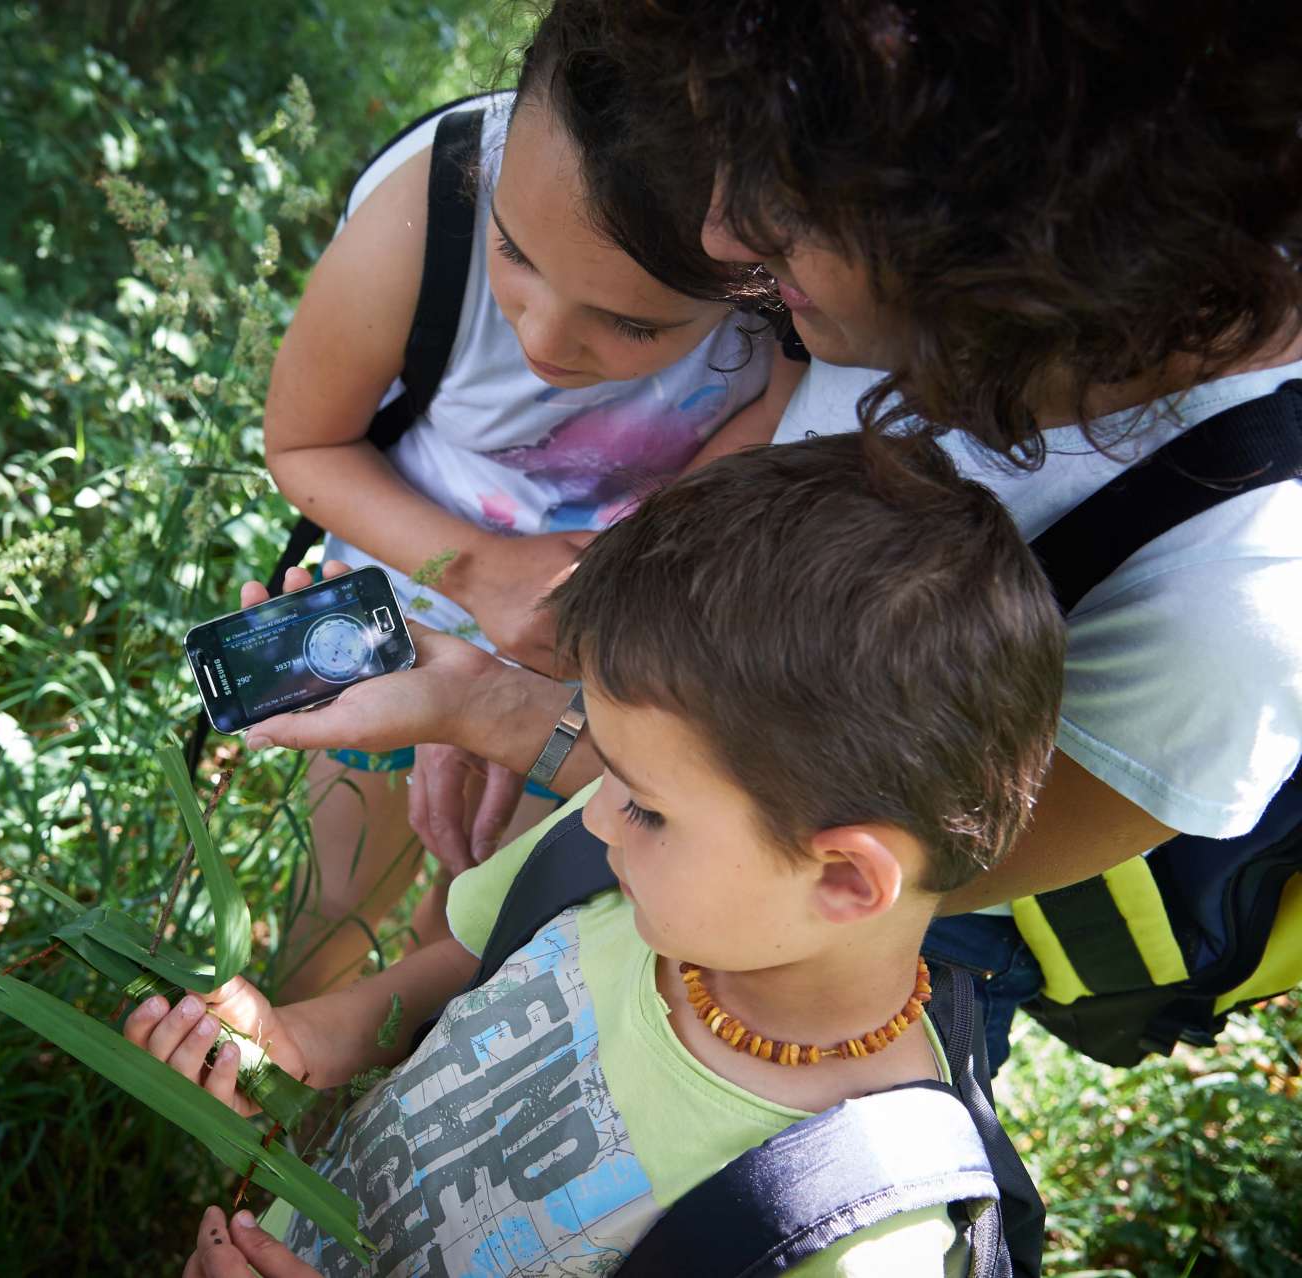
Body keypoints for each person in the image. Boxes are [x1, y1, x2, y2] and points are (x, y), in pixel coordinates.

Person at [248, 0, 1302, 1071]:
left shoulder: (1232, 602)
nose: (719, 242)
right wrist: (504, 694)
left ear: (1007, 224)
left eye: (801, 195)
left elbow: (847, 883)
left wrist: (527, 724)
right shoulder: (873, 288)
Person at [135, 432, 1067, 1275]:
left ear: (846, 880)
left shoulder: (854, 1238)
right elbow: (471, 968)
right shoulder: (629, 880)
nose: (595, 815)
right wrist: (311, 1037)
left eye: (649, 807)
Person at [262, 0, 801, 1000]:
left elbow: (753, 446)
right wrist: (476, 573)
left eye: (629, 326)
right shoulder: (428, 201)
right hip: (378, 590)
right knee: (332, 895)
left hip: (585, 651)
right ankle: (265, 1101)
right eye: (514, 253)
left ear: (761, 285)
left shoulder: (798, 320)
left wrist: (593, 608)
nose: (544, 338)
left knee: (471, 928)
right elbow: (302, 444)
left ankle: (372, 1123)